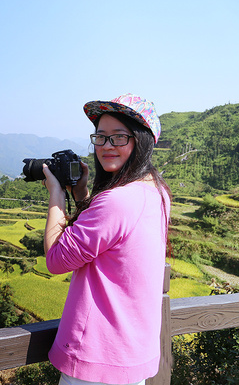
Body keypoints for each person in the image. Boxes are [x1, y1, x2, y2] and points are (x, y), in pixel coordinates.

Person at [42, 94, 171, 385]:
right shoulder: (156, 192)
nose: (106, 146)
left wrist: (56, 195)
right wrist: (81, 195)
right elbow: (108, 235)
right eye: (100, 137)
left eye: (118, 137)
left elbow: (56, 259)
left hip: (97, 361)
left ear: (141, 141)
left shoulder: (117, 200)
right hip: (130, 356)